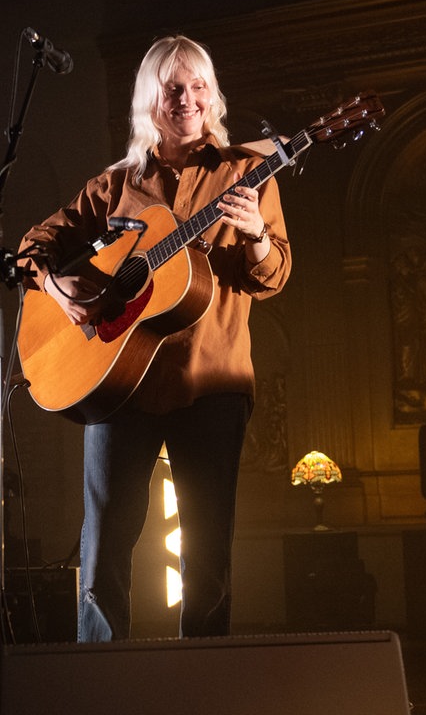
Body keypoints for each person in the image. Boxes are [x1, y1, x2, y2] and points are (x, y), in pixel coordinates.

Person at [18, 34, 291, 641]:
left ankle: (201, 682)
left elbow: (271, 278)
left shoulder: (248, 171)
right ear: (151, 99)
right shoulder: (114, 185)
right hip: (120, 386)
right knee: (105, 545)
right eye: (174, 88)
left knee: (208, 550)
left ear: (212, 96)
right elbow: (35, 244)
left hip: (212, 380)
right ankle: (101, 682)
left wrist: (256, 236)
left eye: (198, 86)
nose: (187, 99)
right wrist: (58, 285)